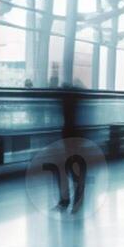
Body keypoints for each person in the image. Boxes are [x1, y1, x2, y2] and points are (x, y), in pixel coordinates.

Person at [46, 79, 89, 209]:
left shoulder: (67, 98)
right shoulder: (77, 98)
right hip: (75, 136)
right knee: (71, 169)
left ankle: (67, 200)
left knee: (66, 169)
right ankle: (75, 200)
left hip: (70, 136)